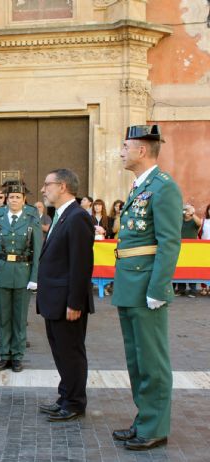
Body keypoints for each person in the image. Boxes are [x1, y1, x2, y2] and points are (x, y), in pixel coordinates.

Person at [112, 125, 183, 451]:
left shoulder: (163, 187)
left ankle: (155, 426)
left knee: (152, 360)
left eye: (126, 146)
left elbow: (169, 242)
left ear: (142, 150)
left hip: (146, 285)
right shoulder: (140, 186)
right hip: (130, 281)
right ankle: (145, 419)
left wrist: (158, 288)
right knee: (136, 359)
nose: (122, 152)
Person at [37, 168, 94, 422]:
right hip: (54, 300)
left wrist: (75, 302)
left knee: (71, 352)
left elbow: (81, 264)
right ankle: (65, 396)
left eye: (47, 184)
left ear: (62, 187)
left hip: (67, 302)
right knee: (60, 351)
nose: (43, 189)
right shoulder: (61, 215)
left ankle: (74, 402)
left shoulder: (77, 217)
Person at [0, 180, 42, 372]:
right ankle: (4, 355)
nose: (14, 200)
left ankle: (17, 356)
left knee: (19, 318)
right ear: (6, 200)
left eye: (18, 197)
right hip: (2, 272)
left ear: (24, 200)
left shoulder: (32, 221)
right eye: (11, 197)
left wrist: (35, 278)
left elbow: (37, 252)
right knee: (4, 318)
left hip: (23, 273)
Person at [175, 204, 202, 297]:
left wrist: (192, 213)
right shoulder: (180, 219)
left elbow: (199, 223)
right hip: (180, 247)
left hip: (191, 248)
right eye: (185, 210)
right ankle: (181, 289)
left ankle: (193, 290)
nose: (186, 211)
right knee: (180, 268)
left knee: (192, 269)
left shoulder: (194, 221)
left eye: (187, 210)